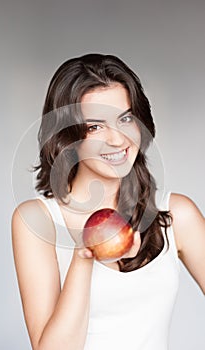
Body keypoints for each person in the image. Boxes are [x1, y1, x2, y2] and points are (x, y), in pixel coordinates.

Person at [11, 53, 205, 350]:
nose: (118, 140)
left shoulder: (176, 213)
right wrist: (83, 257)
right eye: (95, 126)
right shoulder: (38, 221)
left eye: (125, 118)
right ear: (68, 138)